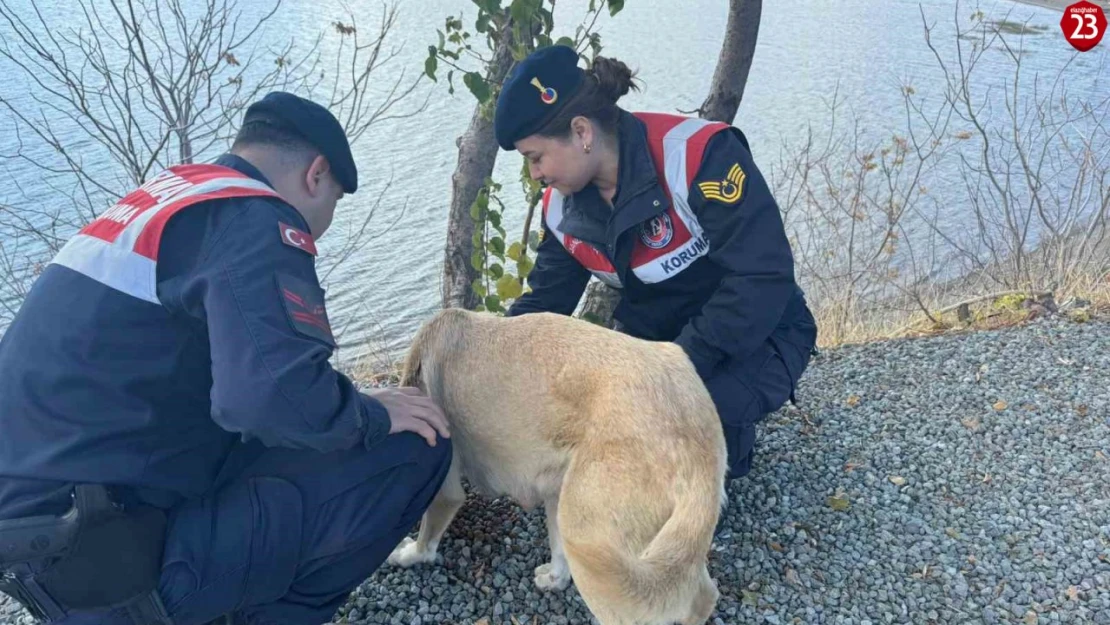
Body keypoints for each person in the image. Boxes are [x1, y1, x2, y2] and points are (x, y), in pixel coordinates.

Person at [0, 92, 452, 625]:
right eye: (333, 201)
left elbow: (241, 385)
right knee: (415, 446)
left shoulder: (168, 200)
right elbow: (272, 403)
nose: (323, 225)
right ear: (316, 174)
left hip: (46, 548)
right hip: (116, 561)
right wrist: (371, 414)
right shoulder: (253, 219)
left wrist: (343, 402)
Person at [495, 45, 818, 481]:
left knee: (668, 450)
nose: (535, 174)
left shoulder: (700, 156)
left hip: (762, 334)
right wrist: (490, 358)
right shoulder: (560, 208)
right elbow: (545, 304)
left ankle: (722, 441)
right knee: (597, 435)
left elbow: (762, 277)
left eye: (535, 157)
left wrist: (670, 376)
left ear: (581, 131)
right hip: (659, 349)